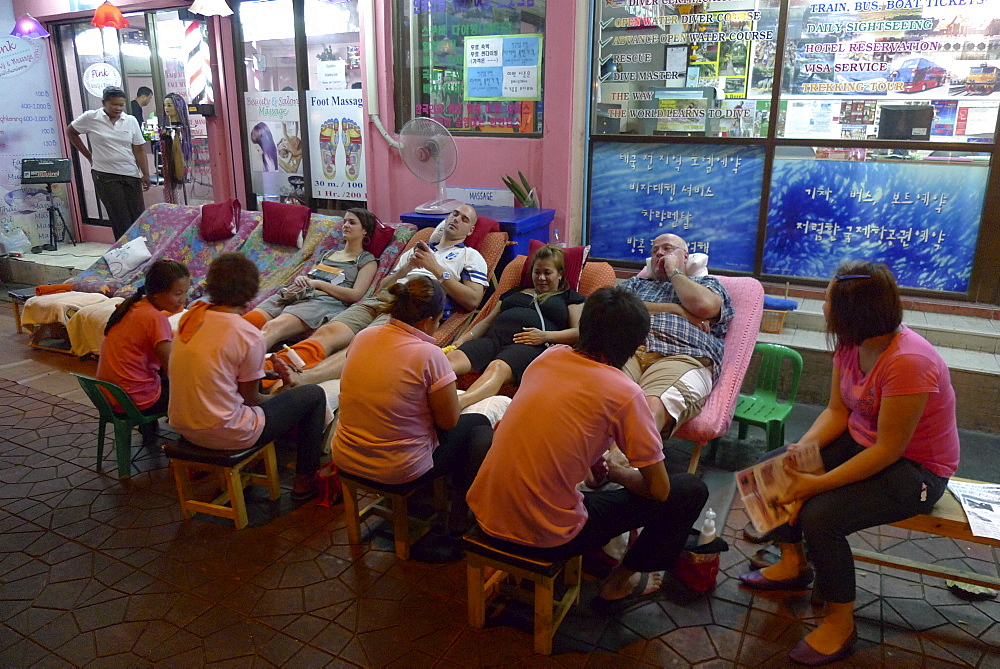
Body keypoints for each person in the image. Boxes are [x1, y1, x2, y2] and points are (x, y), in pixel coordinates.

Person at [738, 261, 959, 666]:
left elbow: (889, 450)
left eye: (827, 299)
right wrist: (799, 453)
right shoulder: (850, 343)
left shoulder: (909, 361)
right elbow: (838, 413)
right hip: (863, 442)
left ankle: (840, 624)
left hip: (917, 469)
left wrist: (815, 485)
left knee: (822, 516)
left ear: (852, 311)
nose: (822, 306)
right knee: (771, 472)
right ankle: (793, 565)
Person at [466, 286, 709, 601]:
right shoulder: (625, 394)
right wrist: (619, 474)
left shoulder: (547, 358)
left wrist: (597, 463)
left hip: (485, 513)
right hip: (548, 535)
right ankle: (620, 580)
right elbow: (659, 490)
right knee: (689, 490)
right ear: (635, 346)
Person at [331, 276, 494, 557]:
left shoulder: (363, 338)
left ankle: (443, 505)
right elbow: (448, 422)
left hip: (346, 454)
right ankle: (458, 514)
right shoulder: (429, 355)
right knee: (478, 426)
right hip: (397, 470)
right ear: (432, 319)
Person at [168, 253, 328, 501]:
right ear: (252, 293)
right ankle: (304, 480)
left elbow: (215, 367)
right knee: (313, 395)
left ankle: (246, 471)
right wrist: (284, 391)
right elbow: (252, 400)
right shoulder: (247, 334)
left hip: (182, 425)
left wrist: (261, 374)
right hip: (226, 433)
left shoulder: (192, 318)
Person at [275, 204, 488, 385]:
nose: (456, 219)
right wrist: (407, 268)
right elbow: (384, 285)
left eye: (464, 219)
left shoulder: (470, 255)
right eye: (454, 214)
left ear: (470, 230)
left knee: (362, 341)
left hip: (410, 305)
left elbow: (472, 300)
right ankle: (279, 372)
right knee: (329, 331)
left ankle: (305, 378)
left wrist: (435, 269)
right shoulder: (418, 248)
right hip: (383, 298)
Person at [621, 233, 734, 436]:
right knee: (606, 397)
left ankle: (621, 461)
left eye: (667, 249)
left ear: (685, 256)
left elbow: (706, 307)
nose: (659, 254)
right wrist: (675, 309)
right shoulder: (636, 285)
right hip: (629, 348)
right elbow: (612, 308)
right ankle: (606, 461)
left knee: (651, 406)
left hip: (683, 356)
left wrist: (674, 271)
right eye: (655, 251)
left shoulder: (707, 284)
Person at [447, 245, 584, 409]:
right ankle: (417, 391)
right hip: (493, 339)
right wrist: (463, 338)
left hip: (529, 346)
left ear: (560, 274)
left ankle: (458, 404)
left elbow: (579, 332)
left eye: (547, 272)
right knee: (452, 359)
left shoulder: (569, 297)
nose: (541, 277)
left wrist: (545, 336)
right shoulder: (514, 292)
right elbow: (487, 321)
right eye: (536, 272)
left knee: (497, 367)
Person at [248, 208, 379, 348]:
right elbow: (310, 276)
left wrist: (318, 284)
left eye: (352, 222)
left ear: (365, 230)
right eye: (345, 221)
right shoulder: (327, 254)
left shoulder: (366, 260)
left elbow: (355, 295)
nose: (346, 225)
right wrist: (302, 280)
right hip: (298, 292)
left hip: (324, 302)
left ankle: (241, 365)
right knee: (249, 322)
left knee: (273, 327)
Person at [97, 259, 190, 447]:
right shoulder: (155, 318)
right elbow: (173, 367)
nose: (183, 299)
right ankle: (191, 445)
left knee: (161, 377)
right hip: (134, 400)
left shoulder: (132, 307)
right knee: (194, 390)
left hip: (109, 394)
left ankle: (149, 431)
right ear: (156, 293)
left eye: (185, 293)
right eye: (177, 293)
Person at [66, 86, 150, 240]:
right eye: (114, 104)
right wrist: (88, 155)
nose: (118, 108)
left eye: (121, 105)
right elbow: (71, 132)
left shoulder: (130, 121)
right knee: (120, 219)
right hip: (105, 176)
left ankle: (142, 253)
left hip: (130, 174)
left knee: (138, 218)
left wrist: (145, 174)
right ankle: (124, 255)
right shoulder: (91, 117)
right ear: (104, 102)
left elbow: (139, 149)